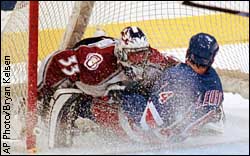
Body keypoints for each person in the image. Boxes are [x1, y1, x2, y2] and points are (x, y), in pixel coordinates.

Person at [36, 26, 179, 147]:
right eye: (134, 55)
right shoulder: (95, 64)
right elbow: (57, 60)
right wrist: (38, 93)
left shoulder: (152, 57)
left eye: (143, 54)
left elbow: (175, 66)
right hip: (85, 75)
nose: (140, 60)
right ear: (121, 53)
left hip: (105, 89)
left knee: (118, 112)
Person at [119, 32, 225, 143]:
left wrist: (131, 91)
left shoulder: (178, 75)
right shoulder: (214, 79)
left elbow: (150, 121)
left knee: (129, 96)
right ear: (211, 59)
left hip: (165, 137)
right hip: (194, 135)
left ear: (188, 52)